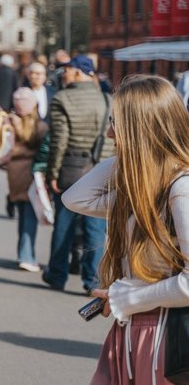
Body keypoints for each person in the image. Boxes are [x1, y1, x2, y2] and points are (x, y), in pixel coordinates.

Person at [62, 75, 189, 384]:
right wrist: (135, 157)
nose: (109, 133)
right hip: (134, 328)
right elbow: (75, 198)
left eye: (116, 124)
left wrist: (125, 298)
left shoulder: (180, 188)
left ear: (140, 131)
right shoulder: (143, 188)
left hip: (165, 335)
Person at [42, 55, 115, 294]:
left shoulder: (62, 98)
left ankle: (57, 274)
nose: (63, 73)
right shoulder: (108, 99)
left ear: (77, 72)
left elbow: (59, 141)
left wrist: (51, 172)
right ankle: (92, 280)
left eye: (67, 69)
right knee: (96, 226)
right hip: (103, 167)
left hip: (72, 167)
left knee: (64, 223)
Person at [5, 88, 49, 272]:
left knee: (23, 215)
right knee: (30, 217)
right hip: (31, 174)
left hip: (14, 173)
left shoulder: (9, 123)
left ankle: (22, 253)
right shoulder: (39, 126)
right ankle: (26, 256)